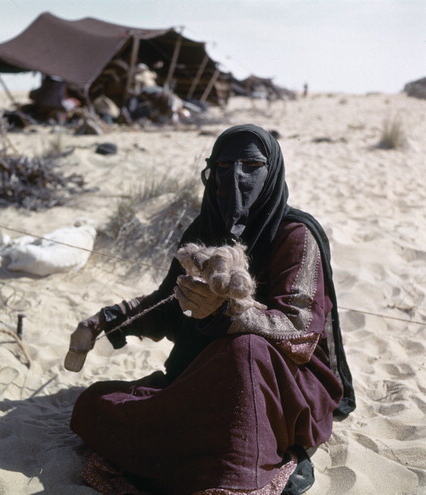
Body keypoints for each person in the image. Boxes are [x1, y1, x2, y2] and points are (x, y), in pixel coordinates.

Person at [65, 124, 355, 495]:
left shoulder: (294, 235)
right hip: (206, 372)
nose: (236, 176)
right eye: (223, 164)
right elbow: (168, 302)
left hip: (281, 382)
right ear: (210, 171)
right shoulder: (205, 228)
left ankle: (236, 473)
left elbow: (299, 328)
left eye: (251, 165)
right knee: (93, 405)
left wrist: (228, 313)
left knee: (244, 350)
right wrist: (104, 321)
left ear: (272, 170)